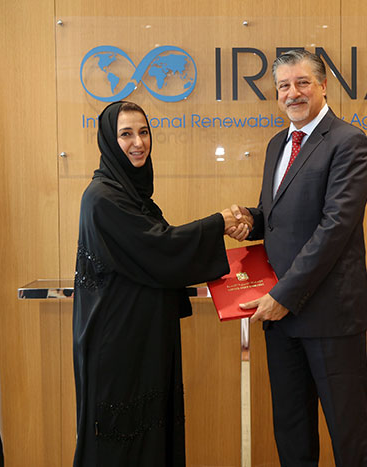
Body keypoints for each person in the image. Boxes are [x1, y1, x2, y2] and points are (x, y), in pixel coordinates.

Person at [72, 101, 248, 466]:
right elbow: (159, 247)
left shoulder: (131, 194)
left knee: (150, 438)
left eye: (144, 132)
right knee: (122, 444)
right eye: (125, 134)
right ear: (107, 140)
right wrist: (219, 222)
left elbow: (157, 246)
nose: (138, 142)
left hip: (142, 336)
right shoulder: (102, 197)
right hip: (119, 344)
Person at [229, 49, 367, 466]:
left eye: (301, 83)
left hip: (329, 319)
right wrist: (247, 222)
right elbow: (277, 218)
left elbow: (334, 229)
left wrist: (285, 294)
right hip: (281, 320)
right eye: (283, 86)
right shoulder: (278, 144)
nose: (292, 93)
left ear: (323, 86)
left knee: (350, 437)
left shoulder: (349, 142)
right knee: (292, 434)